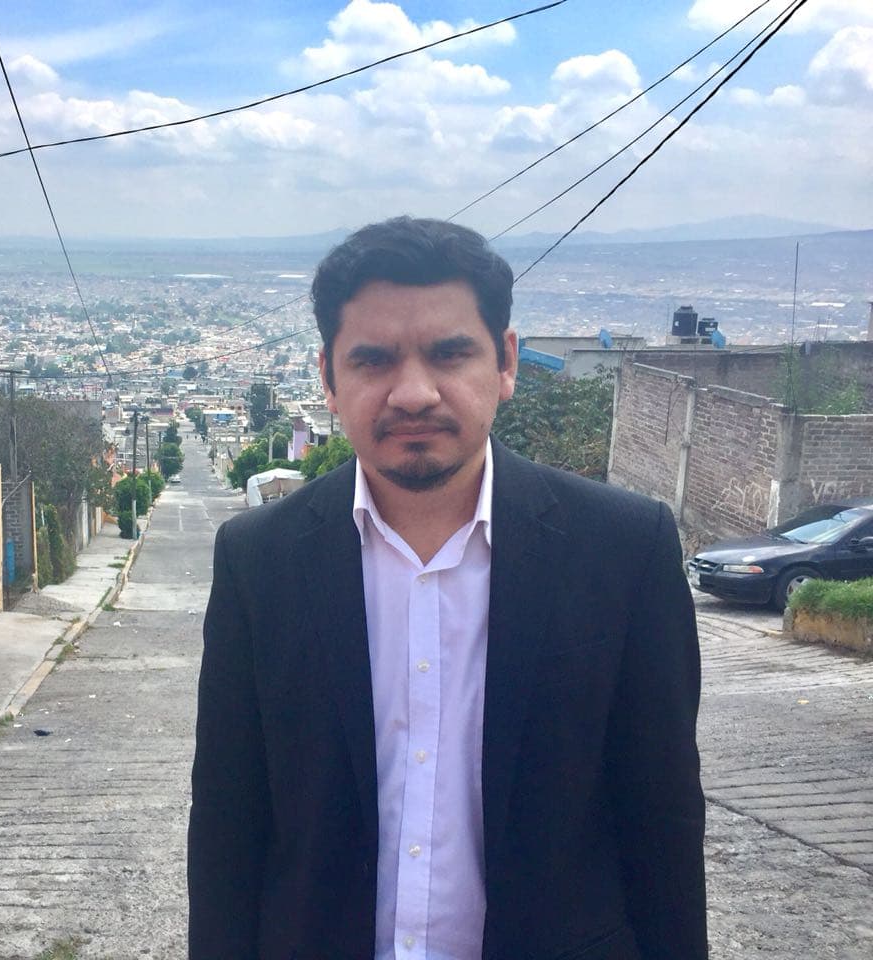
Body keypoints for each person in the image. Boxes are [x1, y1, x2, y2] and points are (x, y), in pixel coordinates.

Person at [188, 217, 706, 960]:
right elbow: (228, 828)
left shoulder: (623, 550)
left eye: (449, 353)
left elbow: (662, 824)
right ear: (328, 378)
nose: (413, 393)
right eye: (373, 360)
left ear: (506, 362)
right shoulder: (258, 560)